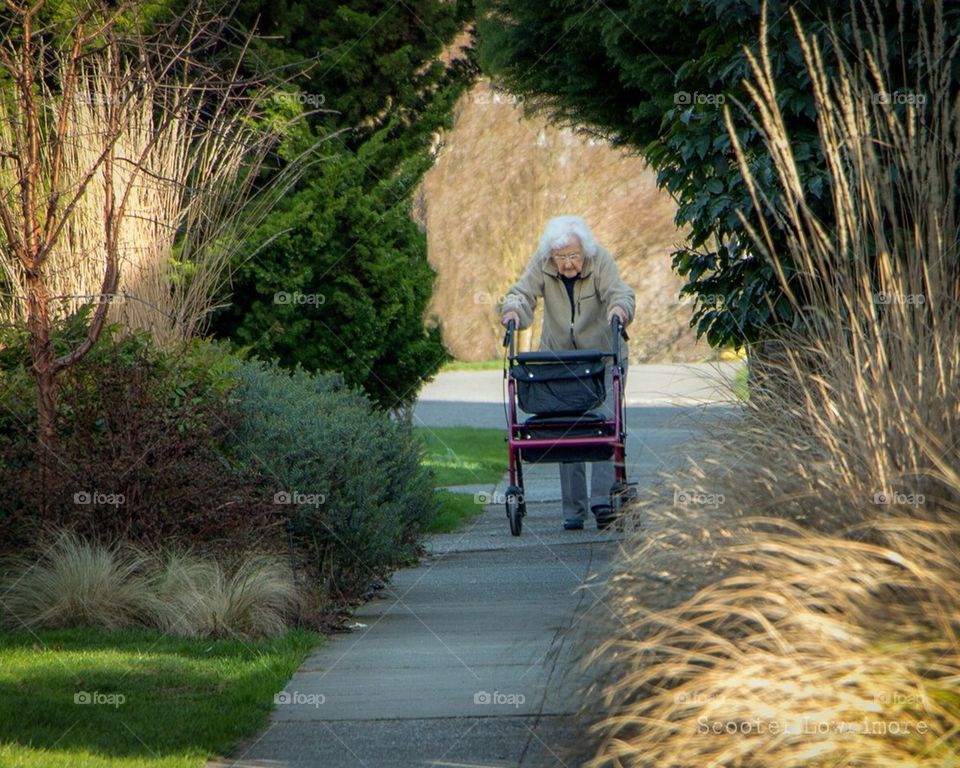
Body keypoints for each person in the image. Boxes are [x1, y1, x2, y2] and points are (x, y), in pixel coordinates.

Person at [499, 215, 635, 530]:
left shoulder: (599, 259)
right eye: (561, 258)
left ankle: (604, 504)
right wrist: (513, 312)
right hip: (561, 361)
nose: (568, 264)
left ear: (583, 251)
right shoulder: (543, 262)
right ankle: (574, 510)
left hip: (603, 357)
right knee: (567, 428)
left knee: (604, 424)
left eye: (573, 256)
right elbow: (522, 292)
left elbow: (620, 292)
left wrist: (619, 310)